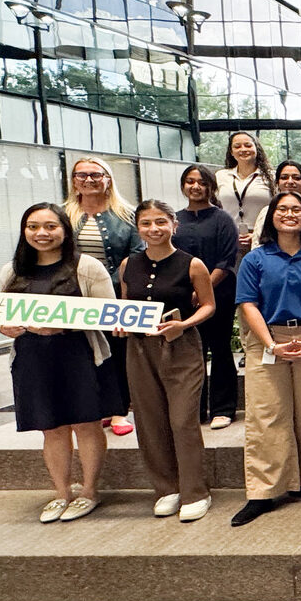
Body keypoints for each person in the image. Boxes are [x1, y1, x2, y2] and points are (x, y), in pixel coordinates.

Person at [0, 204, 122, 523]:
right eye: (34, 226)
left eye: (51, 227)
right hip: (32, 359)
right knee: (50, 427)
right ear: (24, 230)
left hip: (80, 355)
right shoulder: (12, 270)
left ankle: (90, 491)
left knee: (86, 423)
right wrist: (5, 327)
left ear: (65, 230)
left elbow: (110, 315)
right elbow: (3, 315)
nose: (42, 233)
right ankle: (62, 493)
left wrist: (65, 326)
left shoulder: (87, 267)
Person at [232, 191, 301, 526]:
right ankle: (264, 492)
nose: (290, 214)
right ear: (270, 217)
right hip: (268, 339)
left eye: (296, 210)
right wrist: (271, 344)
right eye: (283, 209)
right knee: (266, 414)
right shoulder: (256, 259)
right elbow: (247, 304)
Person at [118, 200, 217, 522]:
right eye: (146, 223)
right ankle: (166, 488)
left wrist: (184, 324)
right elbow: (124, 305)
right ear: (138, 228)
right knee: (150, 421)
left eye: (161, 222)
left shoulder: (192, 264)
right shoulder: (126, 266)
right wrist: (120, 324)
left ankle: (194, 492)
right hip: (139, 350)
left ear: (174, 225)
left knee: (182, 420)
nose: (154, 229)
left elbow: (207, 306)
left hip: (181, 347)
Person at [65, 156, 141, 436]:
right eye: (81, 175)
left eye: (96, 175)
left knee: (115, 351)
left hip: (114, 293)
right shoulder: (63, 216)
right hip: (72, 296)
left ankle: (119, 410)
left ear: (108, 179)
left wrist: (105, 287)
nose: (88, 180)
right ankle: (96, 408)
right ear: (74, 181)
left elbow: (136, 254)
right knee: (83, 353)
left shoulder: (128, 214)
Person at [173, 164, 239, 430]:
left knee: (220, 349)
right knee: (191, 354)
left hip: (219, 293)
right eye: (190, 181)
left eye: (201, 182)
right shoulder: (175, 219)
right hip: (183, 297)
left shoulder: (222, 219)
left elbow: (227, 259)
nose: (195, 187)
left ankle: (223, 408)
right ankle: (195, 408)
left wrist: (204, 290)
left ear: (211, 186)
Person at [215, 131, 275, 257]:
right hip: (230, 238)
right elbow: (214, 208)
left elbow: (277, 209)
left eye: (248, 145)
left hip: (265, 238)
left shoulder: (271, 177)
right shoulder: (220, 176)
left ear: (256, 148)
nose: (243, 149)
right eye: (237, 146)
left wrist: (258, 235)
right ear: (231, 152)